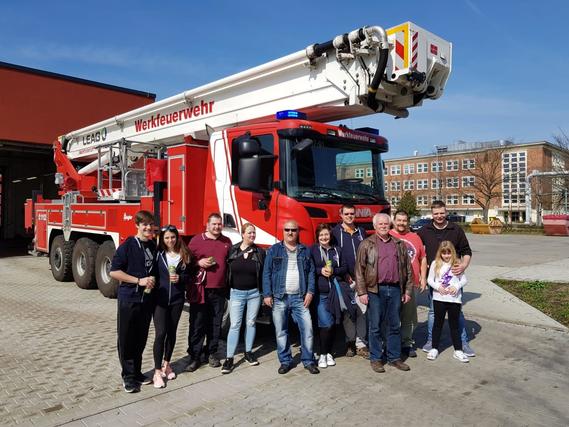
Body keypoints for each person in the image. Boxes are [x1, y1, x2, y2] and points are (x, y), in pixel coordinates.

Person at [355, 213, 413, 373]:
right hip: (375, 290)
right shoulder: (366, 244)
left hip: (395, 289)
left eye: (386, 223)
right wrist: (362, 292)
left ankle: (394, 358)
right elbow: (359, 270)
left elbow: (407, 269)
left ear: (390, 225)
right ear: (374, 226)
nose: (383, 226)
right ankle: (376, 358)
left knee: (395, 324)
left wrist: (407, 290)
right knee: (375, 326)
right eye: (380, 224)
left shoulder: (399, 244)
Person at [417, 201, 475, 357]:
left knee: (457, 313)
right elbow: (415, 249)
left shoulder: (456, 229)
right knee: (433, 312)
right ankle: (431, 341)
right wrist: (421, 275)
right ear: (432, 214)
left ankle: (463, 343)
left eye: (442, 213)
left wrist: (463, 265)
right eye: (436, 213)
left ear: (446, 212)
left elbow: (466, 250)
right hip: (435, 282)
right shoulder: (424, 230)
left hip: (454, 281)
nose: (439, 216)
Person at [262, 220, 319, 374]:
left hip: (300, 298)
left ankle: (308, 360)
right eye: (287, 230)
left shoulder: (305, 251)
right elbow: (266, 273)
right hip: (280, 297)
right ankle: (285, 361)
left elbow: (311, 273)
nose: (290, 233)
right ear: (283, 231)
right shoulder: (274, 250)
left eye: (293, 230)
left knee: (307, 329)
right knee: (281, 331)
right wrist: (267, 294)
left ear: (298, 232)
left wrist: (310, 292)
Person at [110, 210, 157, 393]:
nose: (147, 227)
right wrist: (139, 281)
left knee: (141, 338)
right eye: (143, 224)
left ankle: (137, 372)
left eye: (150, 224)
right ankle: (128, 377)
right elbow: (114, 272)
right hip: (129, 298)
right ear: (136, 225)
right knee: (127, 338)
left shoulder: (152, 245)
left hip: (146, 299)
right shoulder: (128, 245)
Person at [187, 213, 232, 371]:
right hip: (200, 290)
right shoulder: (196, 241)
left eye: (219, 224)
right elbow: (186, 261)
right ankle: (195, 356)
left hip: (219, 290)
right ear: (207, 225)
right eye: (214, 224)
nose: (217, 227)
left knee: (215, 324)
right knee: (197, 324)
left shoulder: (227, 242)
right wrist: (198, 262)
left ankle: (211, 353)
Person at [151, 225, 193, 388]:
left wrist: (181, 279)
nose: (170, 240)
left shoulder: (184, 254)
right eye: (167, 237)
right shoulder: (158, 254)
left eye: (173, 237)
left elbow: (190, 276)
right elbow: (151, 272)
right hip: (160, 300)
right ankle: (156, 372)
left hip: (176, 300)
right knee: (160, 333)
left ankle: (167, 365)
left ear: (177, 237)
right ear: (162, 239)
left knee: (172, 333)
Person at [221, 223, 265, 374]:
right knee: (235, 325)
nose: (252, 235)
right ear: (242, 234)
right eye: (249, 233)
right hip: (236, 293)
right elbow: (226, 270)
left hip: (254, 294)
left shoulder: (259, 252)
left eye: (254, 233)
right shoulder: (233, 250)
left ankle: (248, 352)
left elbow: (264, 273)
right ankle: (229, 358)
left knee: (251, 323)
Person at [310, 224, 352, 369]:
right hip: (321, 294)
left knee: (334, 324)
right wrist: (320, 270)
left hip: (335, 292)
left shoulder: (337, 250)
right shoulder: (313, 250)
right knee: (326, 324)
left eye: (326, 234)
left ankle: (328, 353)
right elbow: (309, 268)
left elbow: (345, 268)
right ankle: (322, 354)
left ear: (330, 235)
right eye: (321, 235)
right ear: (317, 236)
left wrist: (334, 270)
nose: (324, 237)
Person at [331, 204, 369, 358]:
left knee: (361, 312)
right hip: (345, 279)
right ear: (341, 215)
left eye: (352, 213)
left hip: (361, 279)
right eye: (346, 214)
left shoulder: (361, 232)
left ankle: (361, 344)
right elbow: (333, 256)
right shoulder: (335, 232)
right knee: (348, 313)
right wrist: (344, 274)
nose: (349, 216)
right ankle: (350, 343)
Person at [389, 210, 427, 358]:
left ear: (408, 222)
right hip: (393, 284)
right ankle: (391, 342)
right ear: (394, 220)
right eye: (399, 220)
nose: (401, 223)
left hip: (412, 284)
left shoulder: (415, 237)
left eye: (404, 221)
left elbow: (423, 258)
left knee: (409, 317)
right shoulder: (388, 236)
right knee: (392, 316)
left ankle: (407, 342)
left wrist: (423, 277)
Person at [426, 241, 469, 363]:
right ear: (440, 253)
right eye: (444, 253)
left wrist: (456, 286)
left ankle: (458, 350)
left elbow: (464, 280)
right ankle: (434, 348)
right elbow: (430, 280)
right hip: (439, 299)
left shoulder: (457, 264)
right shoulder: (435, 264)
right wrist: (438, 287)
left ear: (452, 253)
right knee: (437, 324)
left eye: (449, 253)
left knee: (454, 325)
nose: (446, 255)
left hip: (454, 300)